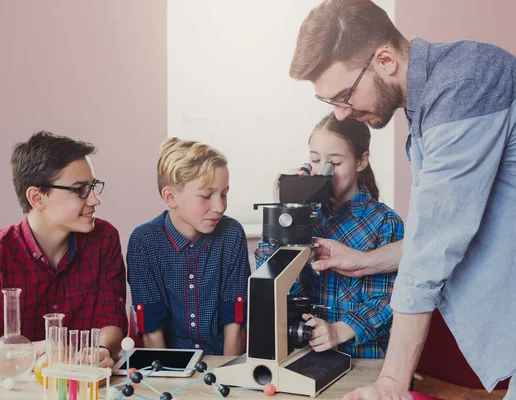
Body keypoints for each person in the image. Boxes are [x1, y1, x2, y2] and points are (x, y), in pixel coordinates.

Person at [288, 0, 516, 398]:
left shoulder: (466, 84)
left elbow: (433, 248)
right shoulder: (430, 102)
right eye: (331, 103)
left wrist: (392, 382)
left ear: (386, 60)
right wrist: (362, 261)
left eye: (345, 94)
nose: (341, 114)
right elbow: (454, 228)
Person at [0, 131, 127, 368]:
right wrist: (28, 350)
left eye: (93, 186)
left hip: (81, 385)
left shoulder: (103, 240)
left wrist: (102, 350)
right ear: (37, 197)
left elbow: (111, 319)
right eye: (80, 189)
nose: (95, 200)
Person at [256, 113, 403, 358]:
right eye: (314, 160)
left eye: (334, 163)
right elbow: (267, 278)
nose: (323, 173)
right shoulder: (304, 216)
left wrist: (338, 330)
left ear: (361, 161)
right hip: (303, 353)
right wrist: (285, 214)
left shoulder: (384, 222)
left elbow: (386, 300)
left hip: (360, 356)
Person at [127, 137, 250, 356]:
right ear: (170, 196)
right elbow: (151, 333)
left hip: (220, 362)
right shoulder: (144, 241)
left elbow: (235, 323)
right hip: (168, 367)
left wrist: (228, 379)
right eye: (206, 196)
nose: (219, 206)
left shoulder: (232, 234)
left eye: (224, 194)